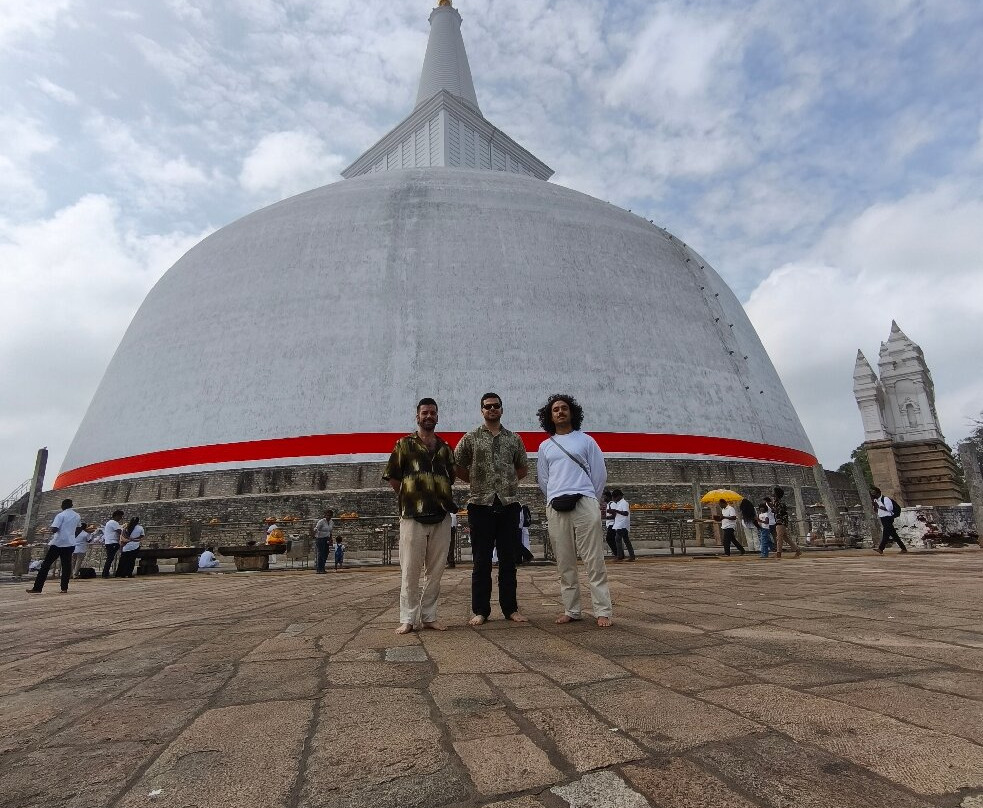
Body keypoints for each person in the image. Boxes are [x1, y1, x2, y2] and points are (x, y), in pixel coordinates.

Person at [535, 393, 613, 628]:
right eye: (555, 409)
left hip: (584, 501)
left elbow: (599, 474)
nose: (560, 412)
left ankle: (602, 610)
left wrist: (591, 496)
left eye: (564, 408)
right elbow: (543, 479)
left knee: (594, 559)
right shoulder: (545, 446)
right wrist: (553, 498)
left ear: (572, 412)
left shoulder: (586, 441)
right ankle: (572, 609)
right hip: (557, 505)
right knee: (564, 561)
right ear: (549, 416)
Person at [455, 392, 530, 627]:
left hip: (508, 504)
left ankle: (510, 609)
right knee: (481, 562)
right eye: (487, 407)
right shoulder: (471, 438)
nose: (492, 409)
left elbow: (522, 468)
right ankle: (480, 610)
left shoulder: (513, 439)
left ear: (501, 409)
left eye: (496, 406)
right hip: (480, 504)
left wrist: (506, 485)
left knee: (508, 561)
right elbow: (457, 465)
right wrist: (477, 483)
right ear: (482, 410)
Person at [384, 397, 456, 635]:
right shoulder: (403, 445)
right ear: (417, 416)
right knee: (410, 571)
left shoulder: (445, 448)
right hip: (413, 516)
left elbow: (450, 479)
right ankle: (407, 618)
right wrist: (413, 495)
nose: (428, 416)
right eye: (424, 412)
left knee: (435, 572)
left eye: (433, 413)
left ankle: (429, 616)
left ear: (437, 417)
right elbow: (394, 478)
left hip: (441, 516)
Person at [26, 499, 81, 594]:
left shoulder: (61, 515)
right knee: (66, 566)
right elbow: (80, 527)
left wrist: (51, 529)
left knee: (45, 565)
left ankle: (37, 588)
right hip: (70, 543)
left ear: (63, 506)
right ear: (71, 505)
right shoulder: (77, 515)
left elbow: (55, 529)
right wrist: (72, 535)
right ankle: (64, 588)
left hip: (58, 543)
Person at [872, 487, 907, 554]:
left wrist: (879, 507)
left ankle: (881, 548)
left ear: (878, 493)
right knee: (893, 534)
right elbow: (876, 510)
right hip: (882, 517)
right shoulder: (876, 500)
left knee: (886, 533)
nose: (873, 495)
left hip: (888, 517)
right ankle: (903, 548)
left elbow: (889, 509)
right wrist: (875, 506)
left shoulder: (885, 499)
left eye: (875, 493)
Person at [772, 487, 802, 559]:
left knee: (779, 538)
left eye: (774, 494)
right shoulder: (777, 503)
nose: (772, 495)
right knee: (785, 538)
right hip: (780, 522)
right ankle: (797, 550)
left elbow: (780, 513)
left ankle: (778, 553)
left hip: (780, 522)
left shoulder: (780, 504)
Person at [607, 488, 635, 561]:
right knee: (626, 540)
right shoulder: (619, 503)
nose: (614, 499)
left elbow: (626, 513)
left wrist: (615, 511)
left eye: (614, 497)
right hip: (620, 524)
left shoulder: (624, 503)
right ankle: (632, 556)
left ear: (619, 496)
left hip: (622, 524)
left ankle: (619, 556)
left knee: (617, 539)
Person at [102, 509, 124, 578]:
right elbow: (119, 531)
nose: (121, 518)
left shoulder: (110, 522)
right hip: (112, 542)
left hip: (110, 542)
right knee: (110, 558)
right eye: (120, 516)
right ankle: (105, 573)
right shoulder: (113, 522)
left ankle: (105, 573)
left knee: (110, 558)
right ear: (116, 516)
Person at [312, 509, 334, 574]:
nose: (328, 517)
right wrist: (313, 535)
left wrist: (330, 539)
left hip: (327, 539)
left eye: (330, 515)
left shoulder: (331, 522)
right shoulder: (321, 521)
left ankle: (323, 567)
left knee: (325, 553)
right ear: (325, 515)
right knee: (321, 553)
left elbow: (330, 531)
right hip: (320, 539)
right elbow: (316, 529)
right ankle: (319, 569)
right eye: (327, 515)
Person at [601, 490, 618, 557]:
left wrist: (606, 517)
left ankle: (617, 553)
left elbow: (614, 515)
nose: (604, 498)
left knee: (609, 539)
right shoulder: (608, 505)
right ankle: (617, 553)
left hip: (612, 524)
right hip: (610, 524)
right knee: (612, 539)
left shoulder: (612, 504)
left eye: (605, 497)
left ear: (608, 497)